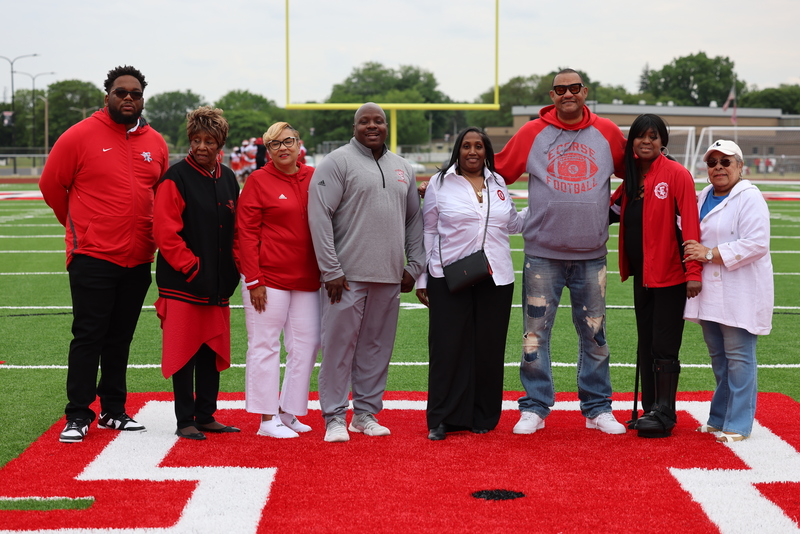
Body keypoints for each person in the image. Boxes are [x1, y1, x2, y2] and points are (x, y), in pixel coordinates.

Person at [494, 68, 627, 435]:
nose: (567, 94)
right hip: (542, 254)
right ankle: (535, 406)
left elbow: (635, 173)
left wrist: (613, 210)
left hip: (591, 254)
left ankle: (596, 407)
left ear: (584, 91)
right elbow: (497, 173)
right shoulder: (531, 133)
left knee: (595, 335)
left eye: (574, 88)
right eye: (560, 90)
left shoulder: (607, 132)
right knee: (535, 335)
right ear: (552, 96)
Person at [40, 65, 169, 443]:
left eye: (135, 93)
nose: (128, 98)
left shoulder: (156, 142)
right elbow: (51, 185)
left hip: (138, 258)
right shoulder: (79, 136)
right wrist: (81, 229)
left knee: (120, 338)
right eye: (120, 92)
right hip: (93, 256)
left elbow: (161, 196)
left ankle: (114, 410)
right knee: (88, 336)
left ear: (143, 98)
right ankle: (78, 414)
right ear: (107, 96)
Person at [308, 102, 425, 443]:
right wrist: (330, 269)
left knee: (376, 348)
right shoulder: (337, 161)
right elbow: (319, 216)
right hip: (345, 278)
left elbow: (414, 220)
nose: (371, 126)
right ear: (354, 125)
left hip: (388, 276)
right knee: (338, 348)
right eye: (364, 121)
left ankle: (365, 413)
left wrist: (414, 266)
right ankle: (333, 417)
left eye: (378, 121)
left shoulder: (403, 166)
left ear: (386, 126)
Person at [416, 127, 525, 441]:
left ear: (487, 151)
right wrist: (424, 276)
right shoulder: (439, 184)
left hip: (497, 277)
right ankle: (442, 418)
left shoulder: (499, 183)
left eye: (479, 146)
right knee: (447, 348)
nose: (473, 151)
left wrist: (549, 208)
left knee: (488, 349)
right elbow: (428, 232)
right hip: (449, 276)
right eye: (466, 146)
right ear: (458, 151)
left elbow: (514, 223)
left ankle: (483, 415)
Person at [609, 114, 702, 438]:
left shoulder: (677, 174)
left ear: (663, 141)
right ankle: (650, 407)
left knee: (664, 345)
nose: (646, 142)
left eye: (653, 136)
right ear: (632, 141)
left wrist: (694, 272)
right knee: (646, 343)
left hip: (671, 276)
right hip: (643, 277)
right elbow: (610, 211)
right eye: (640, 136)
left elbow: (691, 226)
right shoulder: (632, 178)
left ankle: (665, 413)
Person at [153, 106, 240, 440]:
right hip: (184, 283)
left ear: (220, 144)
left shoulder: (229, 178)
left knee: (210, 350)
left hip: (217, 284)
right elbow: (165, 232)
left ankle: (206, 415)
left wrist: (234, 267)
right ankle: (184, 420)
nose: (202, 146)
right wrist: (192, 267)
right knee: (185, 350)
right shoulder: (175, 178)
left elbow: (235, 233)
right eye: (196, 139)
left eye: (209, 140)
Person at [683, 140, 773, 443]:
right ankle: (718, 417)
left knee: (739, 357)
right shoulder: (702, 196)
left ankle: (739, 423)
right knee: (719, 359)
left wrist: (708, 254)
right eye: (713, 162)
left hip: (740, 289)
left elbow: (757, 242)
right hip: (710, 290)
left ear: (740, 166)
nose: (718, 167)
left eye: (726, 161)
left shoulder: (750, 197)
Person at [234, 122, 320, 439]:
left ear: (299, 143)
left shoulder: (314, 176)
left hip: (307, 278)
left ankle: (288, 411)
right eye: (274, 144)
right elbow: (246, 232)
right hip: (267, 279)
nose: (283, 148)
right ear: (267, 151)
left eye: (288, 141)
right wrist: (253, 279)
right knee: (265, 346)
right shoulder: (258, 180)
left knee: (307, 345)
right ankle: (267, 419)